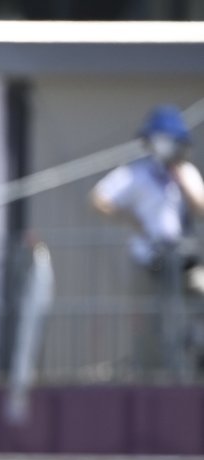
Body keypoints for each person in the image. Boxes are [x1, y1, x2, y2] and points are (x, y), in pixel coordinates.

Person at [90, 104, 204, 376]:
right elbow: (99, 199)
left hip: (184, 259)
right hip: (148, 260)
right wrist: (130, 219)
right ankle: (152, 374)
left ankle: (195, 350)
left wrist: (178, 176)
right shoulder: (136, 174)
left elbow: (200, 207)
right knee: (150, 321)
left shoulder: (186, 172)